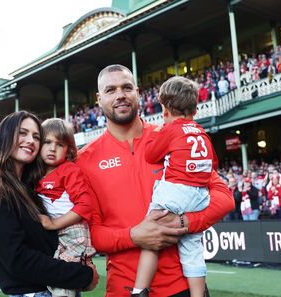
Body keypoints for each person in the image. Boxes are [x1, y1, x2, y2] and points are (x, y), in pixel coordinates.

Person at [76, 64, 234, 297]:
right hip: (125, 289)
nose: (120, 95)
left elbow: (224, 198)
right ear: (99, 99)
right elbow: (93, 234)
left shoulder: (175, 137)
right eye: (111, 90)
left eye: (126, 87)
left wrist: (185, 222)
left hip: (183, 287)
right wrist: (133, 235)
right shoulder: (84, 161)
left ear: (138, 93)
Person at [0, 111, 98, 296]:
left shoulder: (29, 186)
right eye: (23, 133)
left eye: (36, 137)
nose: (30, 140)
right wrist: (82, 276)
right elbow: (17, 260)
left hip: (55, 287)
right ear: (6, 135)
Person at [132, 76, 217, 297]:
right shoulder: (202, 133)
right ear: (195, 110)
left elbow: (151, 155)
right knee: (192, 249)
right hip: (200, 196)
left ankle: (139, 290)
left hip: (176, 190)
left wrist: (158, 132)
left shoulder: (169, 129)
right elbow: (213, 165)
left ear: (165, 109)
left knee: (151, 237)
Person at [36, 118, 96, 297]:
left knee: (63, 284)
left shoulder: (69, 170)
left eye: (59, 144)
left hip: (73, 232)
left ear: (68, 149)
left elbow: (85, 206)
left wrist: (54, 224)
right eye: (47, 142)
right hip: (58, 236)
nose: (52, 148)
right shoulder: (36, 173)